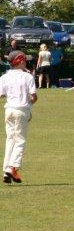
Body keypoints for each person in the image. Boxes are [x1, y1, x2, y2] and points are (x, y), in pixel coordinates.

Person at [1, 51, 37, 184]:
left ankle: (6, 170)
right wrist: (29, 104)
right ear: (21, 61)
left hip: (9, 110)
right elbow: (34, 97)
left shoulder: (4, 77)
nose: (26, 62)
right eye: (25, 60)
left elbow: (2, 95)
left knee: (10, 139)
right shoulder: (27, 77)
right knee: (20, 140)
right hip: (21, 110)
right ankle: (12, 168)